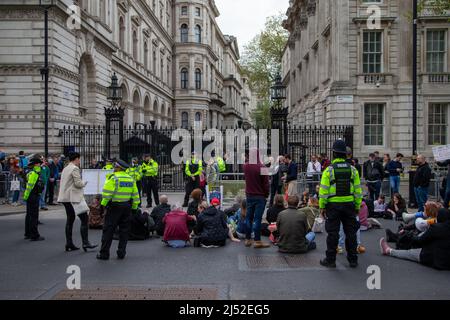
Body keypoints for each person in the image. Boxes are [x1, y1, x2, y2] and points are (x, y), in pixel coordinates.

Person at [319, 139, 363, 268]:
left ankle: (330, 260)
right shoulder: (353, 170)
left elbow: (323, 191)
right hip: (349, 204)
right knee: (351, 233)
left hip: (333, 205)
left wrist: (322, 206)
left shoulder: (329, 170)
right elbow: (358, 190)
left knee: (333, 233)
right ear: (345, 154)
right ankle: (353, 260)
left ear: (334, 153)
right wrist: (357, 206)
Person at [380, 208, 450, 270]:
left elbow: (420, 240)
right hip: (447, 262)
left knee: (409, 253)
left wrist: (410, 236)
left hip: (433, 258)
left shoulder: (435, 227)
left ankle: (388, 251)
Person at [97, 159, 140, 260]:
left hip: (114, 207)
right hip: (127, 207)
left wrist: (102, 206)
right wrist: (134, 208)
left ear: (118, 168)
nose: (113, 168)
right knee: (124, 231)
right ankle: (121, 252)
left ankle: (104, 253)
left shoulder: (113, 178)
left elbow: (107, 194)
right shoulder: (130, 179)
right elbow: (135, 195)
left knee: (109, 230)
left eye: (114, 167)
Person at [57, 152, 97, 252]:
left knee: (70, 220)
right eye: (79, 159)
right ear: (76, 159)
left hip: (65, 197)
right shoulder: (75, 168)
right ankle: (85, 242)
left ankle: (69, 243)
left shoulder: (66, 168)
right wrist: (85, 182)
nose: (79, 161)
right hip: (73, 197)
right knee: (84, 219)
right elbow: (78, 183)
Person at [244, 149, 270, 249]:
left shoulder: (246, 166)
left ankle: (247, 239)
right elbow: (266, 185)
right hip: (260, 196)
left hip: (249, 195)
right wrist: (266, 195)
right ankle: (257, 241)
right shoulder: (262, 167)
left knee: (248, 218)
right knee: (257, 219)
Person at [23, 157, 45, 241]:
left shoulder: (29, 171)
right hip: (33, 195)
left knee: (29, 215)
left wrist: (26, 197)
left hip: (30, 196)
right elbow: (30, 186)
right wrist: (27, 196)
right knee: (34, 216)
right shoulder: (34, 173)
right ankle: (34, 235)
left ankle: (28, 233)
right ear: (36, 164)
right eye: (39, 163)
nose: (40, 164)